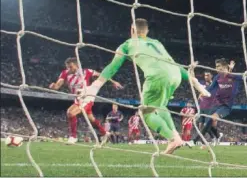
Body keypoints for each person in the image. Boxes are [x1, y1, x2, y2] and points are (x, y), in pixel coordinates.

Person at [80, 18, 210, 154]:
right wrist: (194, 81)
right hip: (176, 76)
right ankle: (176, 136)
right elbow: (174, 64)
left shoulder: (127, 44)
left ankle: (172, 138)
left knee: (145, 113)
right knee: (161, 106)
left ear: (132, 30)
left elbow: (113, 67)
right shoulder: (156, 43)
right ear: (146, 31)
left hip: (157, 77)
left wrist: (94, 87)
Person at [49, 57, 123, 144]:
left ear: (76, 65)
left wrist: (113, 82)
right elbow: (57, 85)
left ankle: (73, 137)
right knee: (92, 120)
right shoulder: (65, 73)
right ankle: (105, 133)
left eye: (70, 67)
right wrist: (53, 86)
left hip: (87, 97)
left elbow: (102, 75)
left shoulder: (87, 71)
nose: (68, 69)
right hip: (78, 98)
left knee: (70, 113)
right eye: (67, 67)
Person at [189, 58, 243, 147]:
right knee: (208, 123)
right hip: (215, 104)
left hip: (225, 106)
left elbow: (243, 77)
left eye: (219, 66)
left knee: (211, 119)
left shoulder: (234, 76)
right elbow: (209, 89)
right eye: (216, 67)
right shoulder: (217, 77)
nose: (217, 68)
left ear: (225, 67)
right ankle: (217, 136)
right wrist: (202, 90)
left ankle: (194, 141)